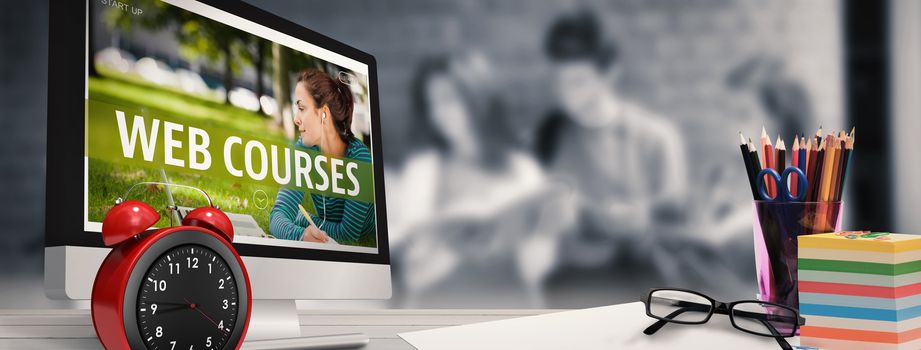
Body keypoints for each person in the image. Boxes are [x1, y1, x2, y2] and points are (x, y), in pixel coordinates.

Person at [386, 52, 568, 307]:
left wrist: (541, 235)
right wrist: (452, 252)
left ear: (476, 97)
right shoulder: (422, 171)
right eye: (432, 104)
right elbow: (414, 278)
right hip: (442, 317)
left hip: (513, 315)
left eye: (448, 99)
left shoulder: (522, 169)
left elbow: (535, 272)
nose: (440, 113)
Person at [536, 11, 688, 267]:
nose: (565, 93)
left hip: (639, 286)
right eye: (558, 80)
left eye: (578, 81)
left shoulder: (656, 138)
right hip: (565, 288)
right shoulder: (549, 135)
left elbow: (675, 226)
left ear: (609, 73)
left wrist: (632, 221)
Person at [269, 68, 375, 244]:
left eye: (302, 108)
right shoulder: (304, 151)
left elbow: (348, 235)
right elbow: (278, 215)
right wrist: (301, 235)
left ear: (324, 113)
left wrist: (303, 219)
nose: (296, 119)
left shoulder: (360, 159)